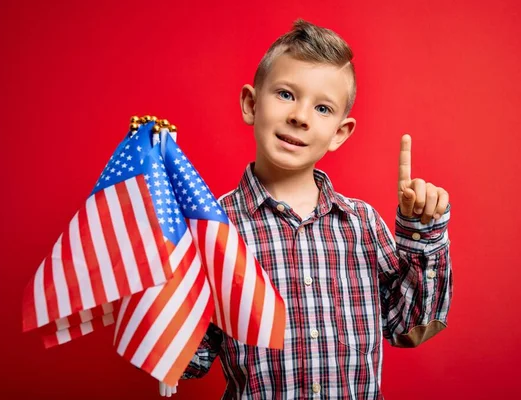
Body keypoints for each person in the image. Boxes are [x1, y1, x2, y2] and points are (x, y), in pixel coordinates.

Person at [163, 18, 452, 399]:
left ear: (339, 133)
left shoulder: (361, 224)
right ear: (251, 104)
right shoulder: (215, 229)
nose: (300, 116)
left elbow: (408, 326)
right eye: (285, 94)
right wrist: (157, 280)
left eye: (322, 108)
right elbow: (191, 361)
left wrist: (421, 234)